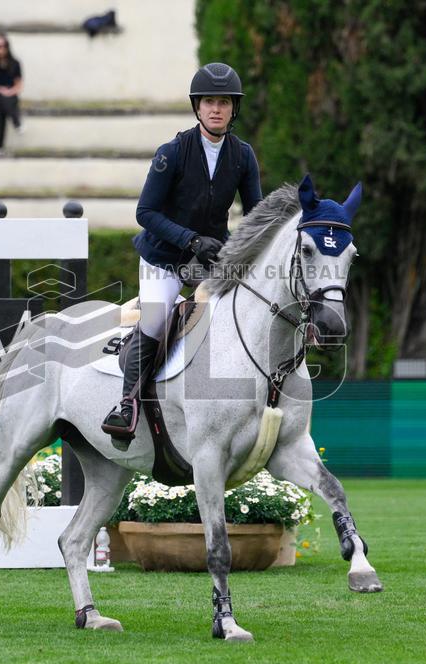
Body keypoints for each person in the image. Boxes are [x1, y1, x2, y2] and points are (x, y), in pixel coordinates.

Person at [101, 62, 262, 443]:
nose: (216, 109)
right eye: (209, 102)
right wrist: (190, 240)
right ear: (197, 107)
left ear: (233, 109)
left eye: (224, 102)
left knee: (241, 313)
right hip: (164, 258)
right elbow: (145, 213)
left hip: (210, 261)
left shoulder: (243, 156)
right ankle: (127, 404)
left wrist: (243, 250)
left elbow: (255, 215)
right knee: (156, 320)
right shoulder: (171, 152)